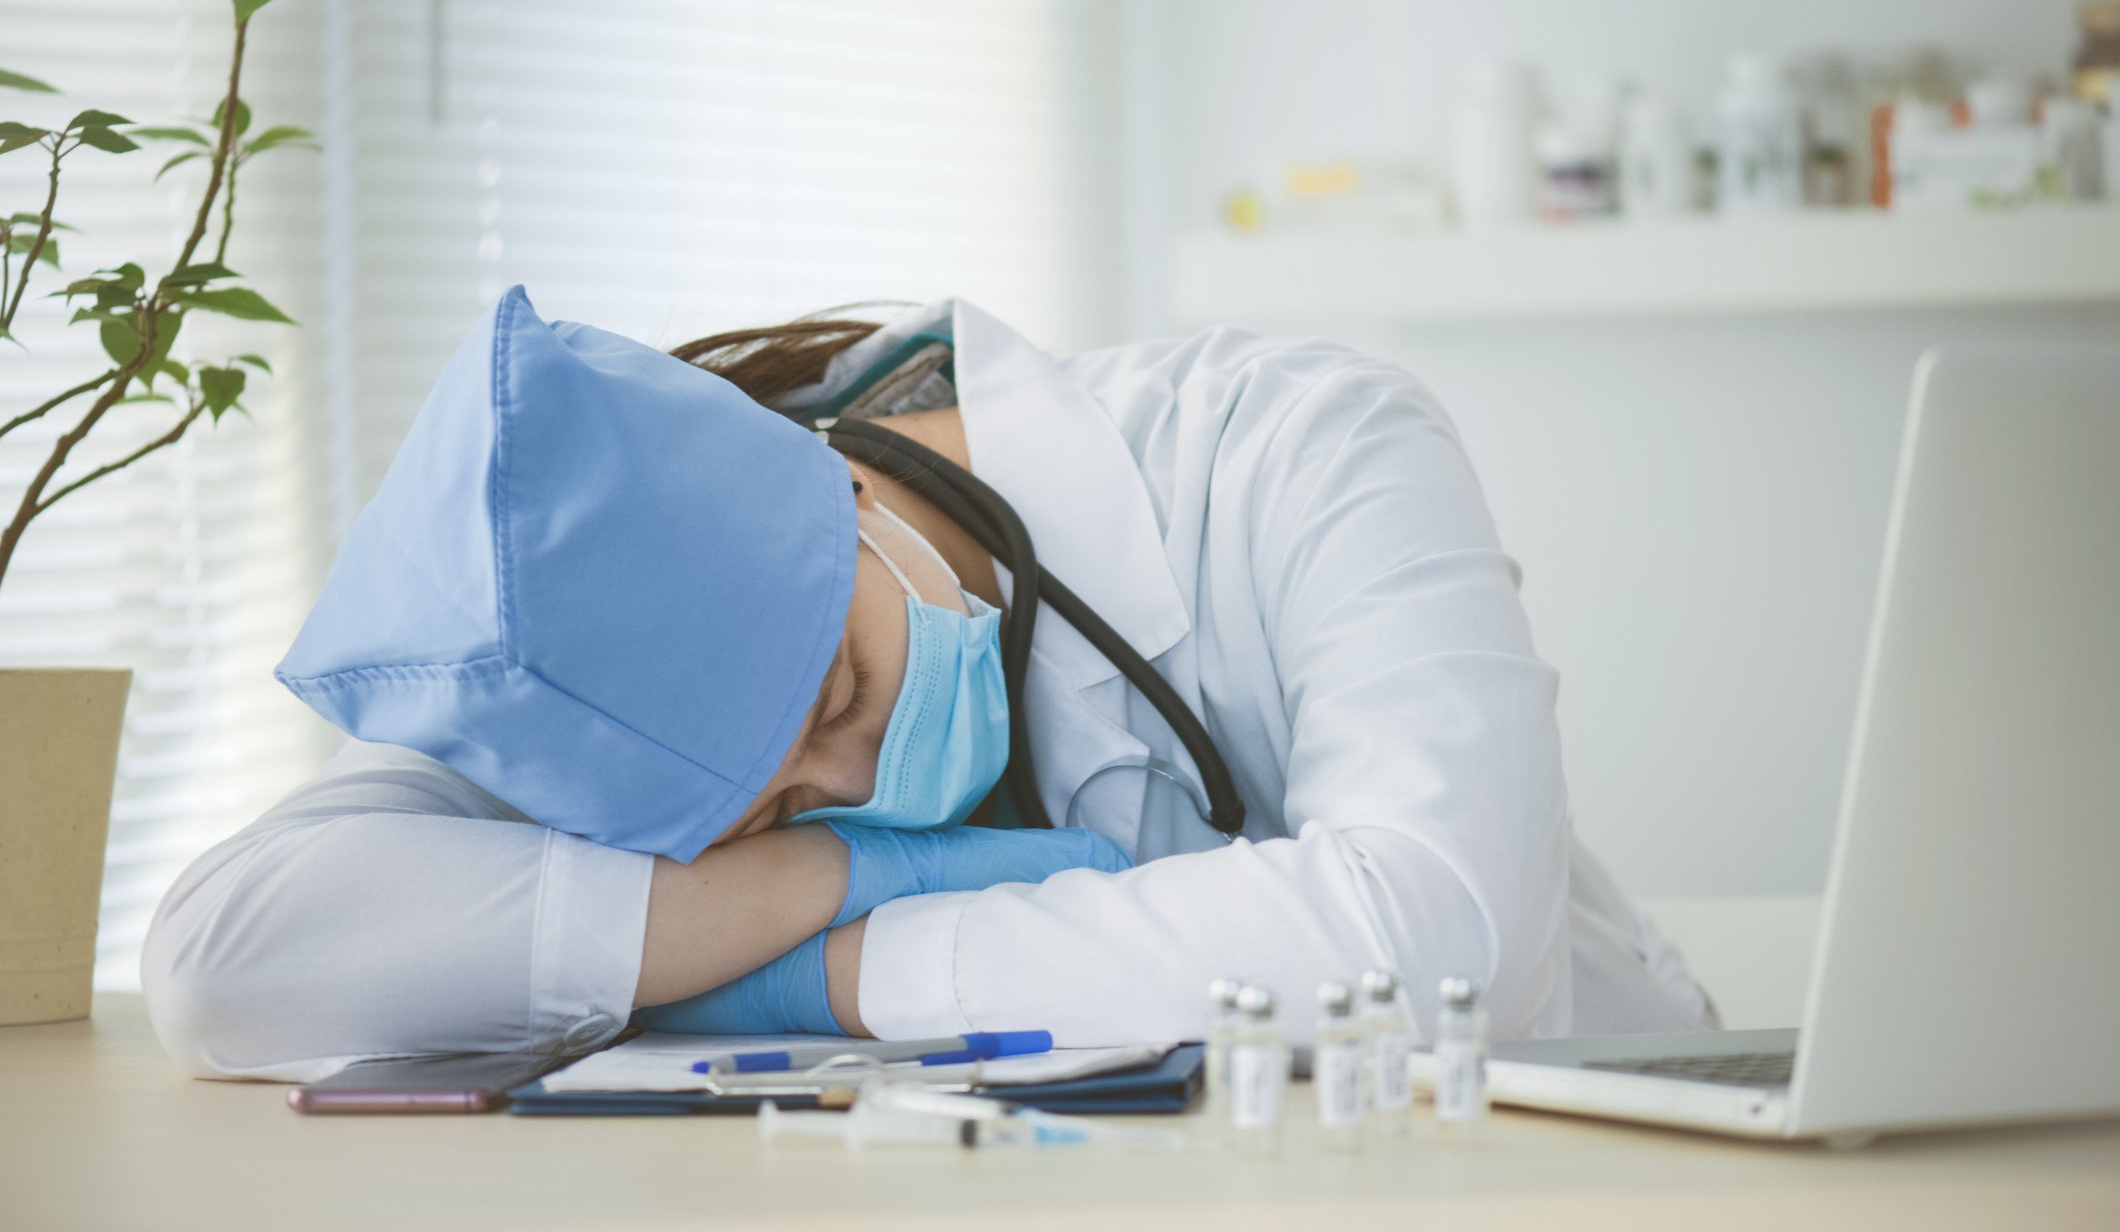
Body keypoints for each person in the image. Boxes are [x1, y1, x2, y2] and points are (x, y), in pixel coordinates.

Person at [142, 289, 1713, 1081]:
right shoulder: (576, 662)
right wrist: (814, 875)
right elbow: (231, 957)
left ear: (834, 485)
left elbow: (1441, 949)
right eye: (769, 814)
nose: (869, 775)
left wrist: (824, 968)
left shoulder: (1293, 445)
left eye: (835, 695)